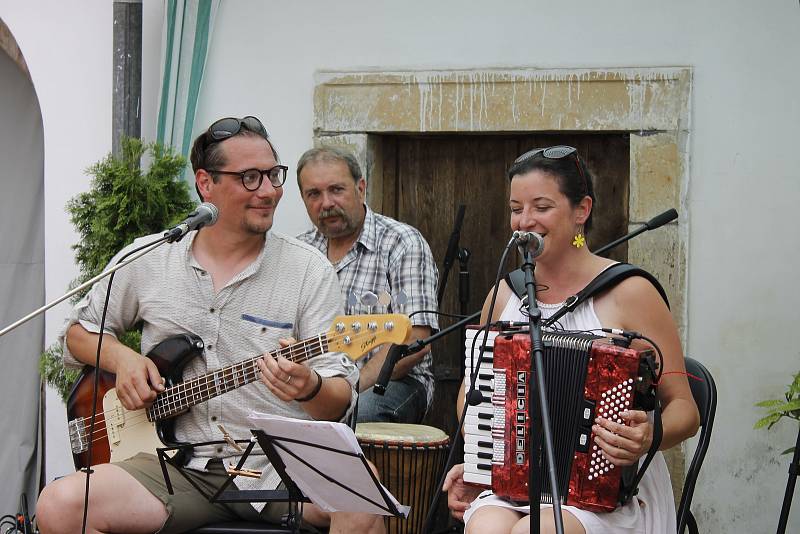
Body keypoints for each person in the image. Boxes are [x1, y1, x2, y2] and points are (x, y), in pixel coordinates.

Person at [36, 116, 385, 534]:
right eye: (250, 178)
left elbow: (338, 398)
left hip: (277, 464)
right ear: (206, 184)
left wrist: (308, 386)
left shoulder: (309, 270)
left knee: (363, 497)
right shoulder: (150, 257)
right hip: (175, 465)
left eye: (274, 175)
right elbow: (78, 332)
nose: (270, 191)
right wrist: (124, 359)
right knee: (60, 505)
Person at [442, 146, 700, 534]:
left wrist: (647, 436)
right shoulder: (504, 296)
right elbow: (471, 395)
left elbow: (684, 408)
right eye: (516, 208)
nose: (524, 221)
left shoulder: (630, 291)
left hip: (606, 492)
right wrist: (486, 456)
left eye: (541, 207)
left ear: (582, 210)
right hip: (517, 484)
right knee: (486, 528)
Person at [295, 147, 438, 424]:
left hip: (392, 381)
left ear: (361, 188)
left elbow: (415, 338)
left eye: (336, 189)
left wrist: (347, 389)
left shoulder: (402, 242)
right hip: (314, 385)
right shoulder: (300, 252)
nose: (326, 203)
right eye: (314, 194)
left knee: (362, 413)